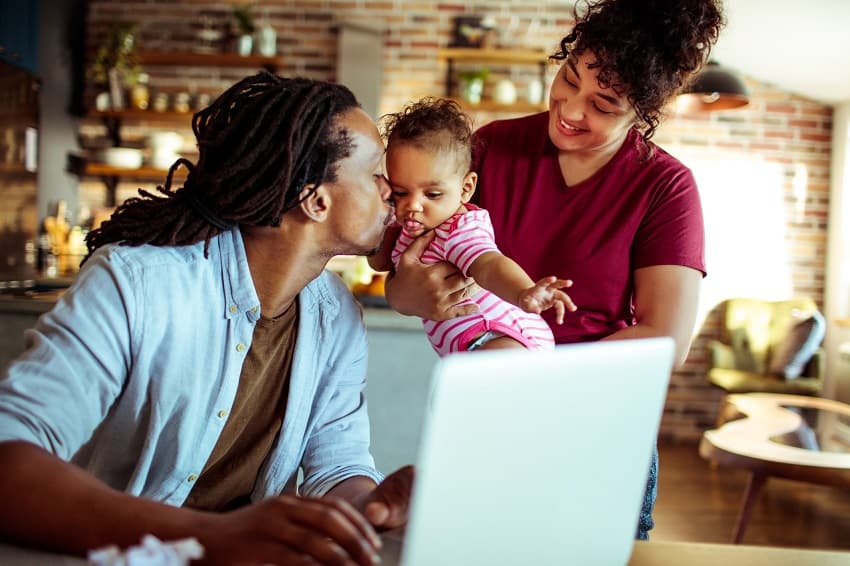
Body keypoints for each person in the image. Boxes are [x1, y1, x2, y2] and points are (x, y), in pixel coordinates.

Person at [0, 73, 412, 565]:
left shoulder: (337, 316)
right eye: (375, 174)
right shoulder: (136, 283)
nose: (394, 190)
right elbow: (9, 454)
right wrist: (211, 536)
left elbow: (337, 467)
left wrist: (375, 506)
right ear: (315, 198)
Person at [385, 0, 723, 540]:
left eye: (604, 104)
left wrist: (531, 376)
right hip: (492, 420)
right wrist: (408, 294)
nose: (570, 109)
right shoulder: (492, 149)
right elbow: (408, 270)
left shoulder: (666, 187)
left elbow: (667, 339)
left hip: (594, 426)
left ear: (643, 110)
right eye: (568, 79)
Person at [369, 97, 576, 355]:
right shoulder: (409, 229)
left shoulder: (458, 228)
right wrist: (384, 216)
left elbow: (489, 265)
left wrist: (524, 292)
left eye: (432, 195)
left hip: (499, 335)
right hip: (472, 344)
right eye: (400, 192)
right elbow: (378, 262)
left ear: (466, 188)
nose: (414, 205)